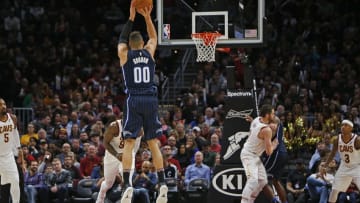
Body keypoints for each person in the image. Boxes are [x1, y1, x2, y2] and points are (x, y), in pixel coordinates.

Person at [117, 2, 167, 203]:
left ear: (130, 45)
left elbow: (121, 39)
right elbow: (154, 37)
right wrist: (147, 17)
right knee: (153, 142)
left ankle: (127, 184)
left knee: (129, 142)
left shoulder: (124, 54)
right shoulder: (149, 51)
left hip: (134, 99)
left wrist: (131, 17)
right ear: (142, 43)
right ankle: (162, 182)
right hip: (151, 99)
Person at [95, 119, 142, 203]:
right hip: (112, 155)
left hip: (127, 155)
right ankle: (101, 197)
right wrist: (116, 154)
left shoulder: (139, 128)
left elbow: (136, 145)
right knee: (108, 183)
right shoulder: (114, 126)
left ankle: (126, 200)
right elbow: (105, 143)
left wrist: (131, 155)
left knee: (127, 181)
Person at [240, 104, 278, 203]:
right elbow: (269, 152)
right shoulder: (267, 130)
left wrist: (251, 120)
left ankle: (250, 200)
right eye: (272, 114)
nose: (274, 116)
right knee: (253, 180)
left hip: (254, 155)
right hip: (249, 155)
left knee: (263, 181)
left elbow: (255, 125)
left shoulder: (257, 119)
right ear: (267, 115)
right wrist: (274, 144)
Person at [324, 119, 360, 203]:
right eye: (342, 125)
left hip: (357, 167)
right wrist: (325, 166)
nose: (343, 127)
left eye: (345, 125)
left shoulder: (357, 140)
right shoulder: (337, 139)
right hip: (344, 166)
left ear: (351, 128)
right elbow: (332, 153)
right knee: (334, 189)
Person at [262, 116, 289, 203]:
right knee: (275, 181)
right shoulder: (277, 123)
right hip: (282, 153)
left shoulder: (273, 124)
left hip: (276, 153)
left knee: (260, 179)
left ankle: (275, 201)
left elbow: (275, 141)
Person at [0, 98, 21, 203]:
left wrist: (19, 152)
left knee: (15, 181)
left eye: (4, 104)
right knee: (4, 182)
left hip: (9, 155)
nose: (3, 106)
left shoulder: (12, 118)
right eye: (0, 105)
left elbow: (16, 136)